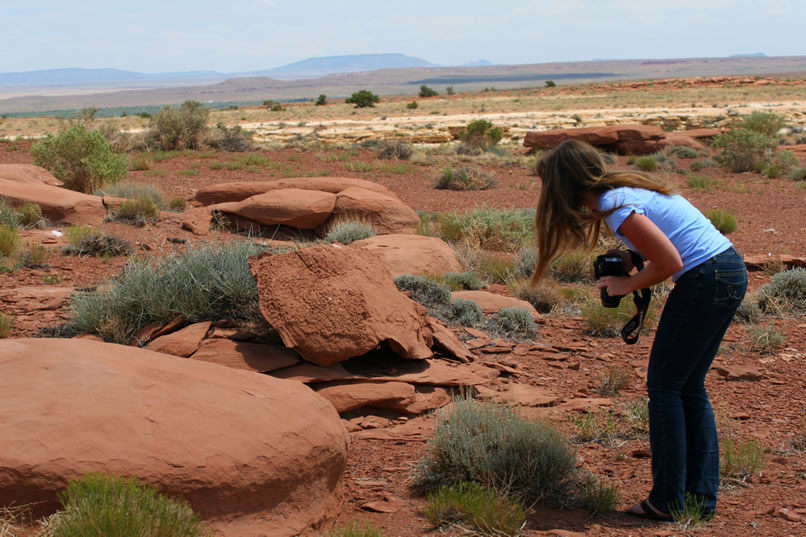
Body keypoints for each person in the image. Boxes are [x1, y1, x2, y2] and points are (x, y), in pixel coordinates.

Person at [531, 139, 747, 520]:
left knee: (665, 388)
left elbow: (670, 260)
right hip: (728, 269)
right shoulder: (626, 190)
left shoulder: (615, 206)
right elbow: (669, 241)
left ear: (563, 185)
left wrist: (625, 285)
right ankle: (699, 500)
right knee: (688, 387)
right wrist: (633, 257)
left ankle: (667, 501)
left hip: (704, 278)